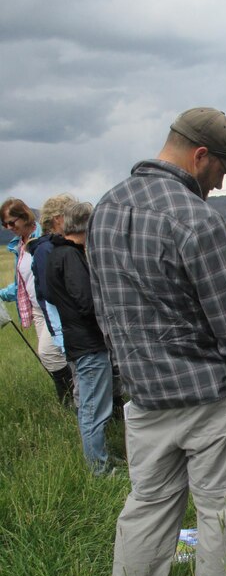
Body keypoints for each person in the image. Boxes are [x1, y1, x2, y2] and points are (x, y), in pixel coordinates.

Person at [87, 107, 226, 576]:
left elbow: (105, 315)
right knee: (220, 513)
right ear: (200, 156)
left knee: (147, 508)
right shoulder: (195, 219)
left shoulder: (104, 209)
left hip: (141, 400)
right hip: (205, 399)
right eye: (219, 175)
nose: (216, 188)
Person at [46, 202, 114, 474]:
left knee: (91, 405)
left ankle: (100, 458)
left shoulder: (55, 254)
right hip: (88, 342)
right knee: (93, 409)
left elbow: (52, 296)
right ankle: (98, 467)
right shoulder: (71, 257)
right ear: (88, 224)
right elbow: (86, 300)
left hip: (76, 340)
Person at [0, 197, 73, 405]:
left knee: (49, 352)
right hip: (36, 309)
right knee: (52, 355)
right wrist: (2, 293)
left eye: (12, 222)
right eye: (4, 224)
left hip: (53, 306)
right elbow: (21, 284)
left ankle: (73, 397)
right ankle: (70, 399)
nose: (8, 228)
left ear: (24, 216)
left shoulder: (44, 236)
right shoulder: (18, 246)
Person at [29, 193, 79, 408]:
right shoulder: (46, 249)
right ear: (58, 219)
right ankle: (69, 402)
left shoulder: (56, 246)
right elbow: (51, 292)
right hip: (65, 322)